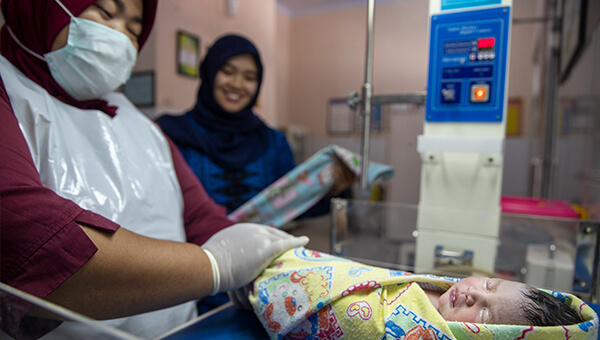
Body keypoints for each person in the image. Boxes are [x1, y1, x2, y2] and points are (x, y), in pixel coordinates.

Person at [0, 0, 308, 339]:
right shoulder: (11, 94)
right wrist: (215, 266)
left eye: (134, 29)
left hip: (177, 329)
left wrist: (264, 259)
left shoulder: (137, 122)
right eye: (104, 11)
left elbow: (199, 215)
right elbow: (33, 243)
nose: (119, 36)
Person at [156, 34, 353, 215]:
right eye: (227, 71)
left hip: (261, 253)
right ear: (209, 72)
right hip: (189, 253)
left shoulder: (273, 142)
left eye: (249, 77)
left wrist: (335, 186)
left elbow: (292, 204)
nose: (237, 84)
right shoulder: (170, 134)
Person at [249, 248, 592, 339]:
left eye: (487, 314)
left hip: (268, 290)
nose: (475, 294)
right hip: (304, 264)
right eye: (490, 284)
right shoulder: (441, 290)